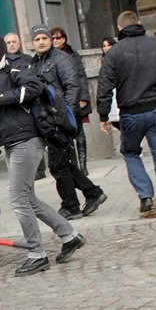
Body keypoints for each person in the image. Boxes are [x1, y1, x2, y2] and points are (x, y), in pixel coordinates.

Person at [0, 31, 87, 276]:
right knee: (29, 199)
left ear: (0, 48)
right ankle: (70, 236)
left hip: (27, 139)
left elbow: (34, 87)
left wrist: (2, 97)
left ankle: (36, 254)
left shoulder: (15, 66)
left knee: (18, 199)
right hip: (13, 141)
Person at [97, 11, 156, 218]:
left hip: (131, 113)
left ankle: (145, 194)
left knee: (131, 153)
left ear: (119, 28)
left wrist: (103, 115)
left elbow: (104, 86)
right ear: (140, 23)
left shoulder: (114, 53)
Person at [30, 25, 107, 220]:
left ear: (50, 40)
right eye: (37, 39)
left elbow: (72, 88)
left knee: (58, 165)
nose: (41, 42)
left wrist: (66, 117)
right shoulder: (36, 62)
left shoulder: (62, 59)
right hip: (48, 120)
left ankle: (71, 205)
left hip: (60, 120)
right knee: (65, 163)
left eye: (44, 38)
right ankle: (92, 193)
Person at [4, 32, 46, 180]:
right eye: (8, 42)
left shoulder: (28, 60)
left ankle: (40, 169)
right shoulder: (3, 64)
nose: (12, 44)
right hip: (13, 107)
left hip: (31, 104)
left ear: (19, 43)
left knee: (35, 137)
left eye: (14, 41)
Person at [51, 27, 91, 175]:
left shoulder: (72, 55)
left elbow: (81, 77)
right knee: (67, 135)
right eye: (53, 38)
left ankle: (83, 166)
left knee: (79, 132)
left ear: (64, 38)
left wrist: (83, 98)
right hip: (59, 101)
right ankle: (73, 165)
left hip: (75, 98)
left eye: (58, 37)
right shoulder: (49, 57)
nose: (56, 40)